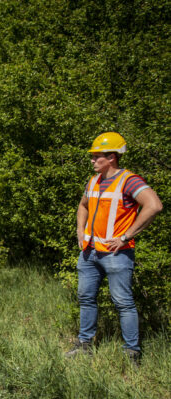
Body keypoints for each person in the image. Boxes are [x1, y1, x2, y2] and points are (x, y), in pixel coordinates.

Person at [68, 132, 163, 363]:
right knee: (86, 298)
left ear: (112, 157)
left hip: (116, 254)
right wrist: (81, 231)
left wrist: (126, 236)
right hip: (89, 252)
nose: (92, 160)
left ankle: (132, 353)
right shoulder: (93, 181)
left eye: (96, 156)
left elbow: (154, 205)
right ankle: (84, 345)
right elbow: (83, 206)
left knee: (123, 302)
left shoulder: (129, 180)